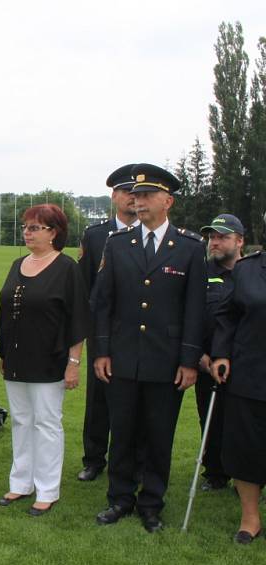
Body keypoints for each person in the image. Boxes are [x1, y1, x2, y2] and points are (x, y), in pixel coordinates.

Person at [93, 163, 206, 533]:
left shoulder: (190, 248)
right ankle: (120, 498)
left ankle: (151, 502)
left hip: (165, 360)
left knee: (159, 435)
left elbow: (195, 310)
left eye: (146, 196)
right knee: (122, 431)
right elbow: (104, 303)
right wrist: (103, 351)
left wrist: (189, 360)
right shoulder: (117, 243)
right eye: (135, 195)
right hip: (123, 357)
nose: (137, 201)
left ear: (167, 201)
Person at [0, 204, 90, 515]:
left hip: (50, 360)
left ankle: (47, 489)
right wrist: (2, 352)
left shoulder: (66, 269)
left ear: (54, 233)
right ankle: (20, 483)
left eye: (35, 227)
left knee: (47, 423)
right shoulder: (17, 264)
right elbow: (6, 311)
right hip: (16, 358)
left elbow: (78, 319)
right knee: (21, 421)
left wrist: (73, 363)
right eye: (25, 227)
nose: (27, 232)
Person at [76, 164, 139, 482]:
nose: (132, 198)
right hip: (102, 330)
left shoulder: (150, 233)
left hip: (137, 331)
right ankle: (94, 458)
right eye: (126, 192)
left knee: (134, 398)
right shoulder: (96, 234)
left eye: (137, 193)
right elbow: (85, 285)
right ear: (114, 196)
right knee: (98, 397)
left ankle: (131, 459)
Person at [212, 247, 266, 543]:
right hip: (250, 373)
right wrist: (221, 353)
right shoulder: (246, 269)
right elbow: (227, 316)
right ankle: (250, 519)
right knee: (247, 447)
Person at [195, 214, 244, 491]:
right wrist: (200, 357)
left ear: (239, 241)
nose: (215, 242)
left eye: (222, 237)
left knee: (246, 422)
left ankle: (248, 475)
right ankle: (215, 472)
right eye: (212, 237)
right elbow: (190, 317)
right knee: (211, 419)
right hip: (208, 362)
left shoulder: (252, 273)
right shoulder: (201, 272)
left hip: (246, 364)